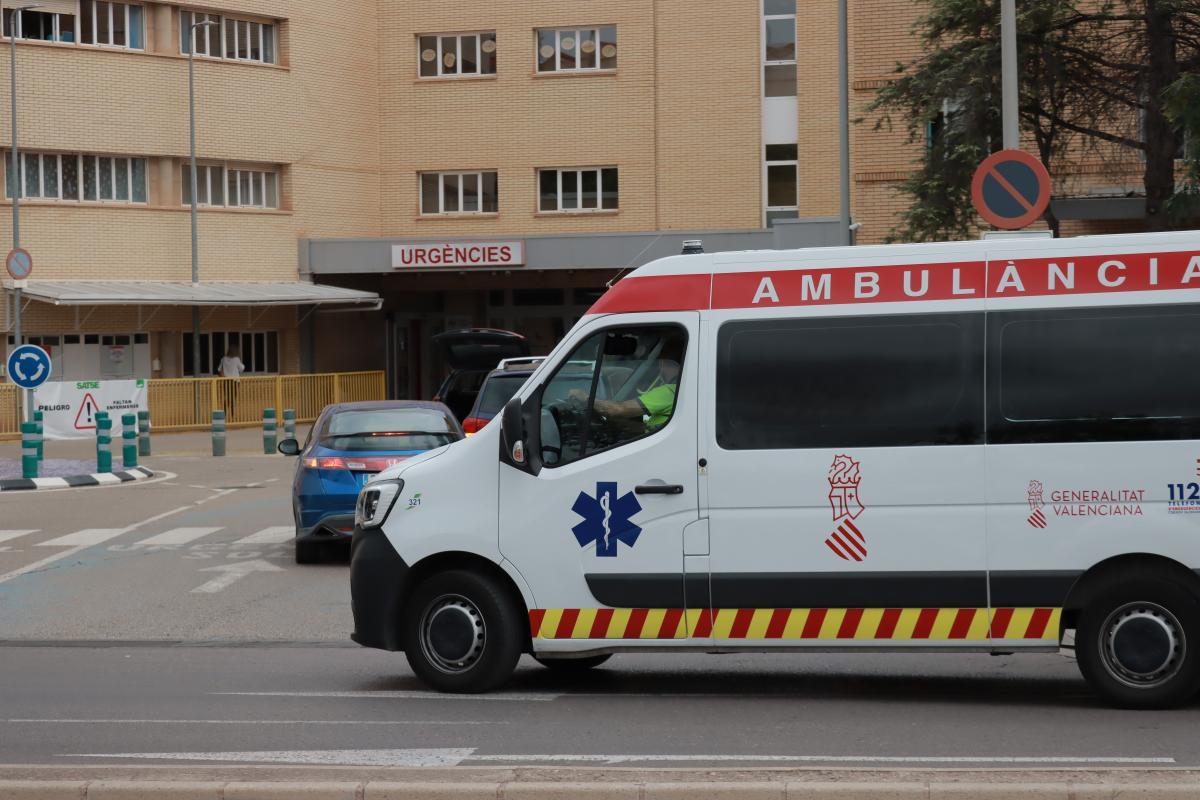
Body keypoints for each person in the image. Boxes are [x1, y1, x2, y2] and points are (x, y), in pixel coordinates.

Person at [570, 340, 683, 434]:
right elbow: (651, 428)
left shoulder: (670, 392)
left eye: (658, 362)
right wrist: (617, 423)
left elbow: (618, 409)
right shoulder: (681, 392)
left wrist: (584, 397)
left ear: (663, 363)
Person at [217, 344, 245, 418]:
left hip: (226, 381)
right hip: (235, 381)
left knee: (227, 398)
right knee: (233, 398)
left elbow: (219, 369)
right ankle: (233, 416)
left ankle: (225, 414)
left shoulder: (223, 359)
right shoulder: (236, 359)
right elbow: (242, 368)